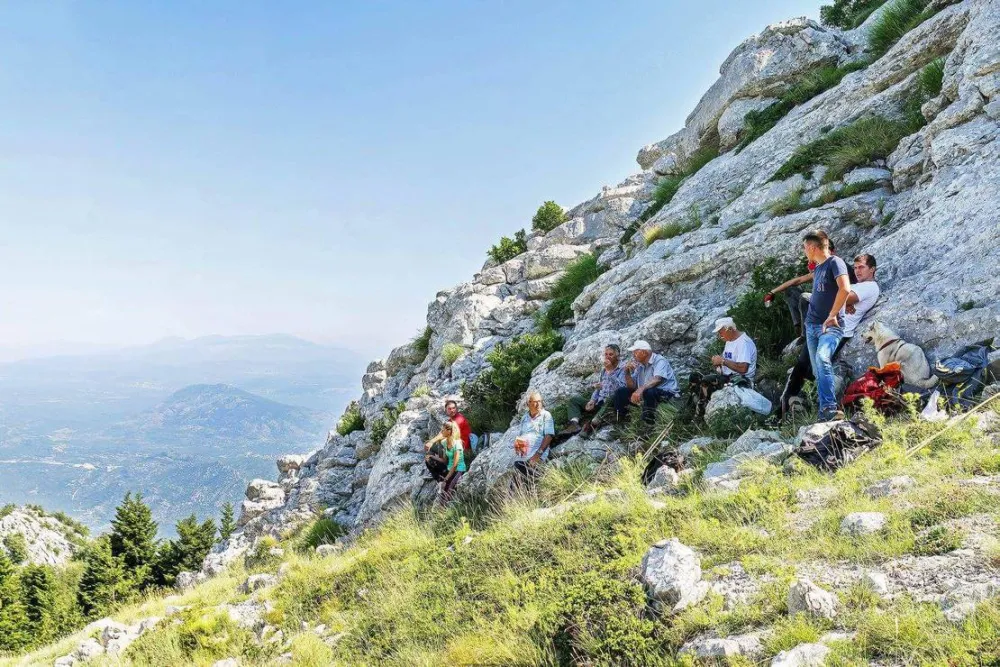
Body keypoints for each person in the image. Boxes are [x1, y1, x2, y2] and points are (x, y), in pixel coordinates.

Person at [780, 253, 880, 417]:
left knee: (807, 365)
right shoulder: (855, 284)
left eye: (861, 267)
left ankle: (794, 408)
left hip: (836, 330)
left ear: (872, 269)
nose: (857, 271)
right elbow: (841, 297)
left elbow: (844, 298)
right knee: (804, 366)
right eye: (855, 268)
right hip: (823, 325)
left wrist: (841, 298)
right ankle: (790, 406)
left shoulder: (870, 287)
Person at [802, 230, 851, 421]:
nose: (804, 251)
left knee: (823, 358)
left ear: (813, 247)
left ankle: (829, 408)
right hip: (811, 325)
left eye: (805, 247)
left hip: (831, 326)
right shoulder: (818, 268)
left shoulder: (835, 262)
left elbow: (845, 288)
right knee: (817, 370)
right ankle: (826, 410)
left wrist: (832, 314)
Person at [767, 235, 855, 339]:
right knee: (791, 290)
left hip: (831, 305)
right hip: (820, 302)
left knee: (804, 297)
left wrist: (847, 303)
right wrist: (772, 292)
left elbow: (847, 289)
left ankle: (805, 334)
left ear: (832, 251)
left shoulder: (838, 265)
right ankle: (798, 326)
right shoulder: (820, 267)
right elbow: (798, 280)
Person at [689, 318, 758, 419]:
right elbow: (728, 359)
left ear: (729, 329)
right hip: (727, 375)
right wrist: (719, 364)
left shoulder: (743, 343)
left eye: (720, 332)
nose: (719, 335)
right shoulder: (730, 340)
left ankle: (703, 413)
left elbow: (743, 369)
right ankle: (700, 406)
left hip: (740, 379)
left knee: (706, 381)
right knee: (694, 377)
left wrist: (722, 361)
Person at [562, 344, 626, 436]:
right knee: (574, 400)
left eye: (611, 354)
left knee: (611, 397)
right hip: (599, 402)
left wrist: (611, 371)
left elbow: (621, 388)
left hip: (611, 403)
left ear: (618, 356)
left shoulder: (623, 369)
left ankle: (592, 424)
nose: (607, 357)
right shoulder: (604, 370)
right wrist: (592, 400)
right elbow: (599, 388)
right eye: (606, 354)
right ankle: (574, 424)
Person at [613, 340, 680, 424]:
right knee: (621, 391)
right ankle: (620, 420)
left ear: (644, 353)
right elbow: (632, 387)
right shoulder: (640, 365)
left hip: (667, 394)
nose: (633, 355)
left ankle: (648, 423)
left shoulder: (659, 360)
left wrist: (640, 390)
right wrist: (626, 372)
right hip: (647, 394)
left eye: (635, 352)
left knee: (649, 391)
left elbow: (657, 379)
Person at [513, 391, 555, 483]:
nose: (538, 404)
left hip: (536, 456)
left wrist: (537, 455)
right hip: (524, 457)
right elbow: (521, 437)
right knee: (518, 470)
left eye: (540, 401)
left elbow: (549, 436)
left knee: (521, 474)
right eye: (535, 402)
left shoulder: (546, 415)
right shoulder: (524, 418)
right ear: (528, 404)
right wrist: (519, 455)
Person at [424, 421, 466, 503]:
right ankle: (439, 479)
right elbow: (444, 460)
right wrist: (432, 456)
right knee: (428, 460)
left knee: (448, 491)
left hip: (458, 470)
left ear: (449, 431)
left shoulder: (457, 444)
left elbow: (455, 465)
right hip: (449, 469)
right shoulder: (445, 442)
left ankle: (445, 509)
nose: (441, 432)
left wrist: (446, 479)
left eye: (443, 430)